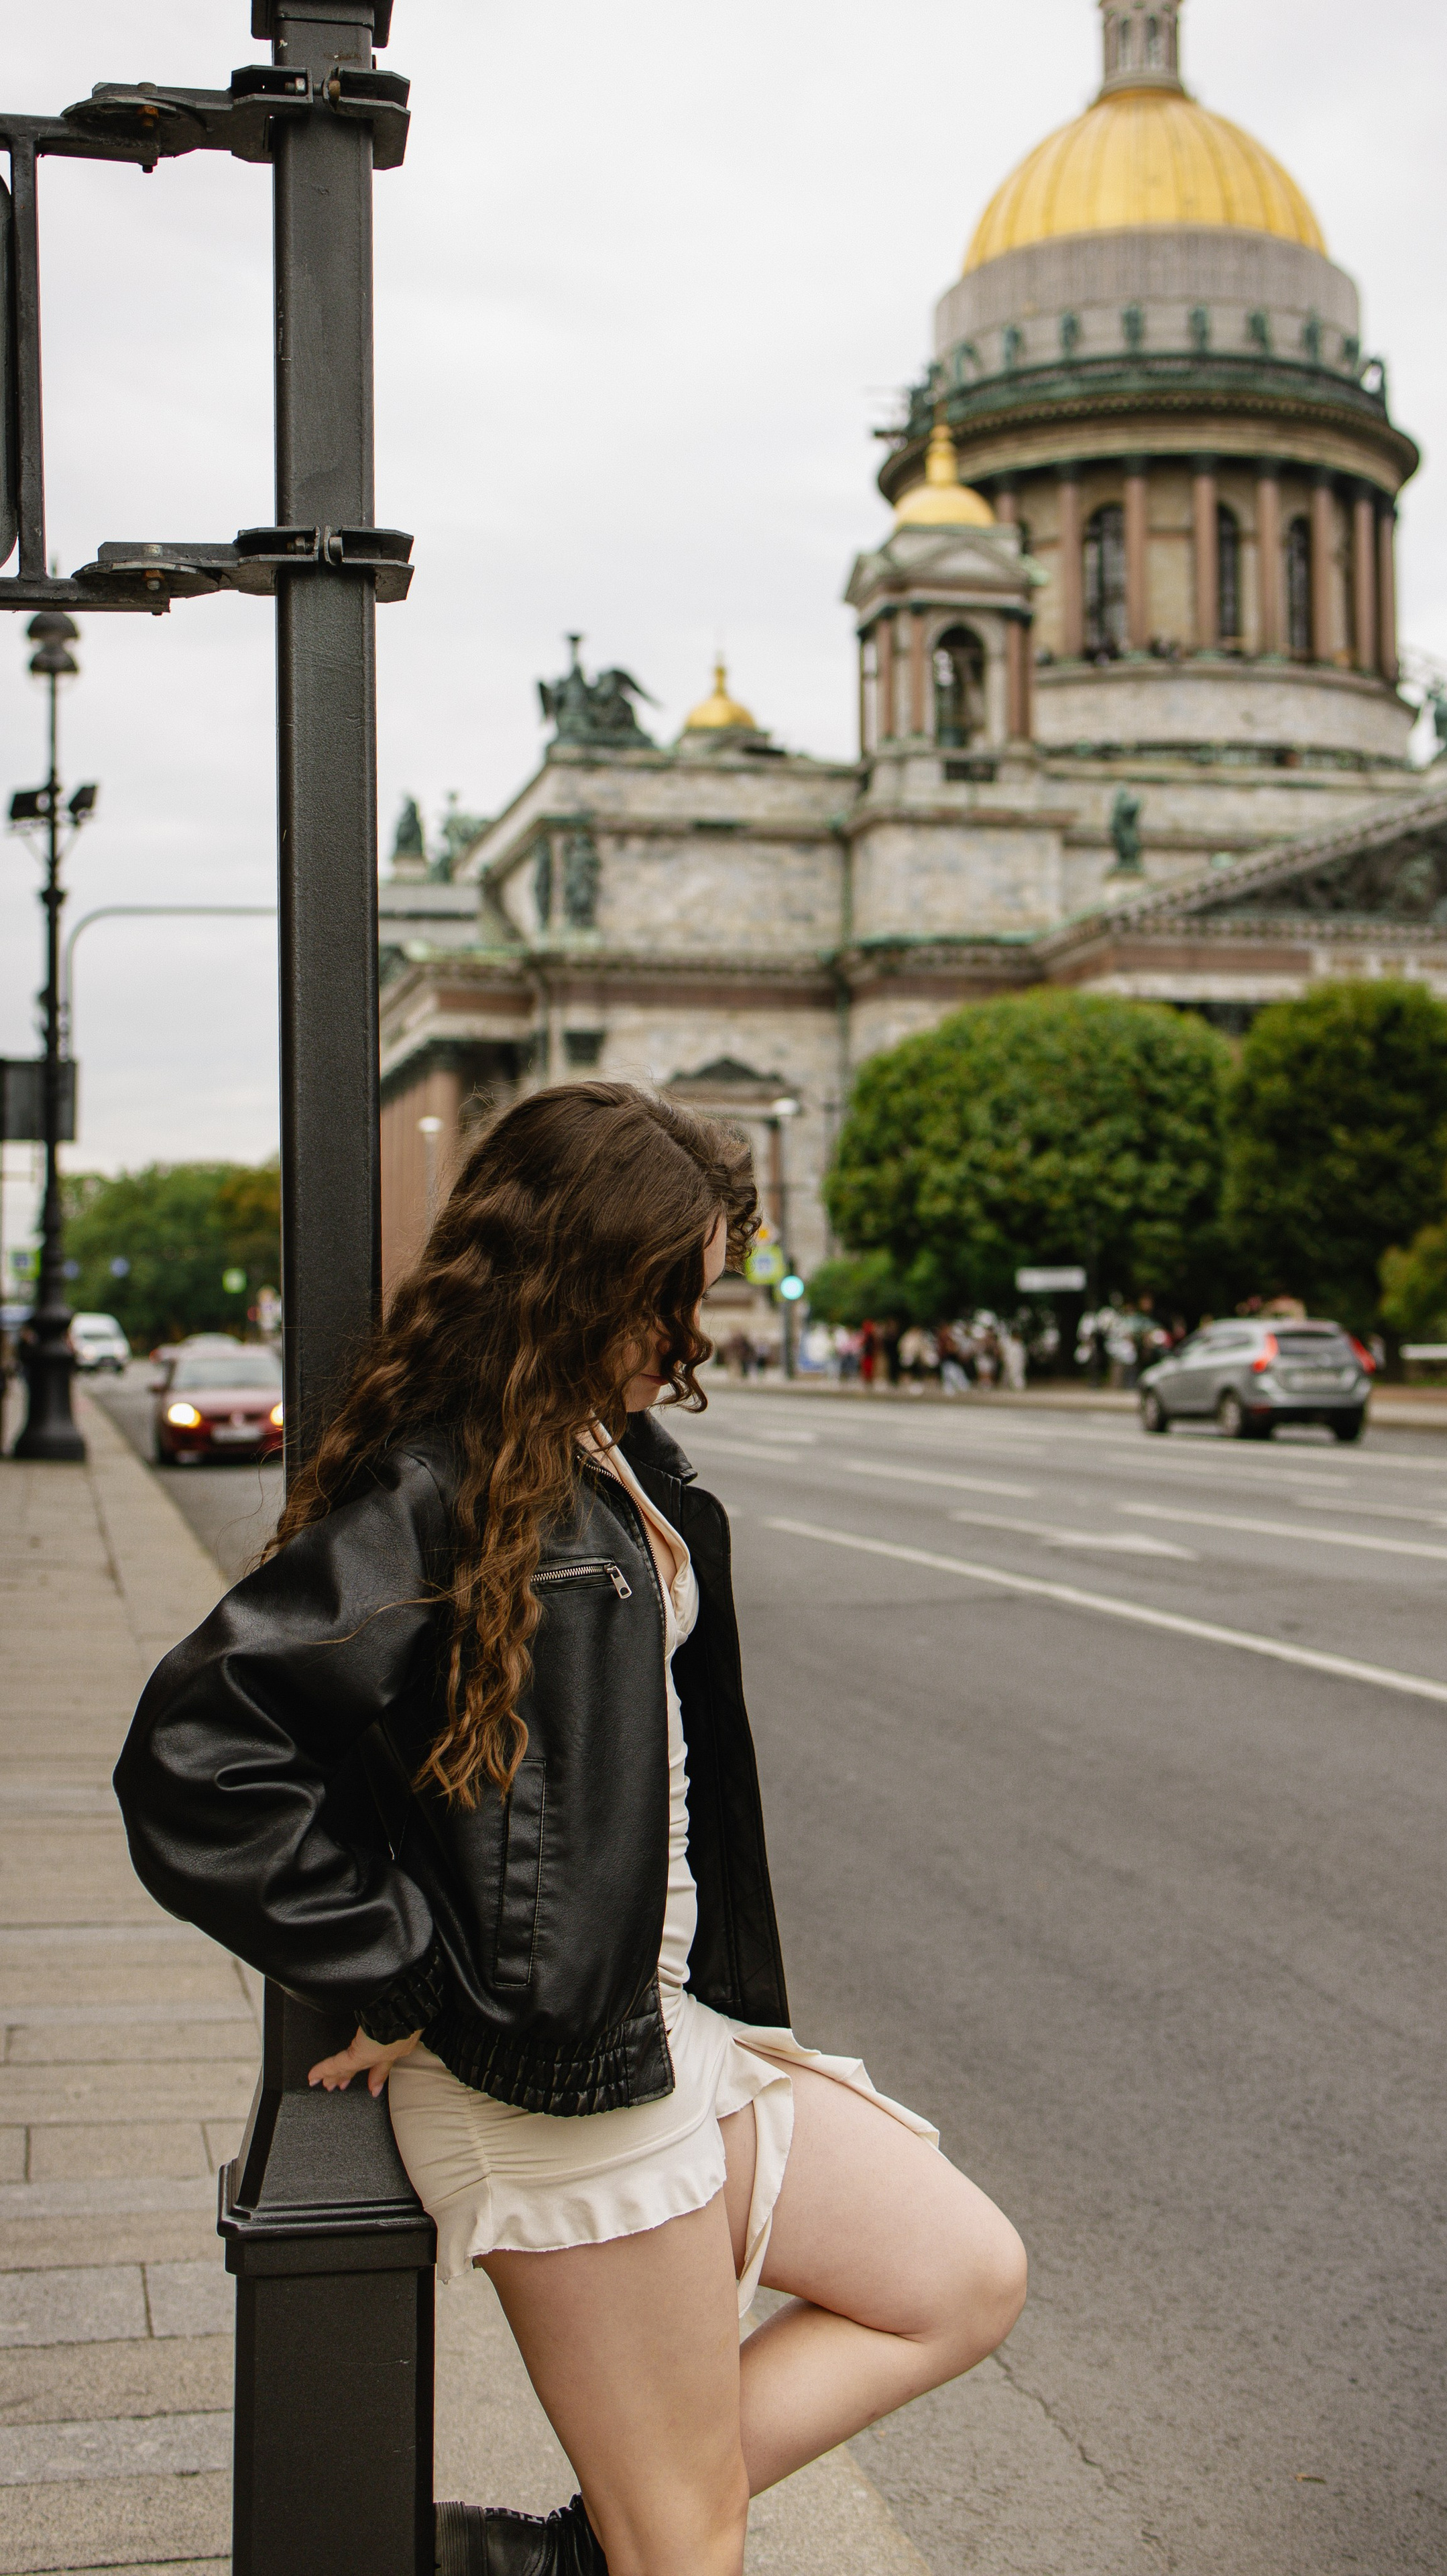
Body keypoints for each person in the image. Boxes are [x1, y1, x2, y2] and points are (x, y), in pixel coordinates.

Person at [113, 1083, 1025, 2576]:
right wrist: (404, 1967)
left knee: (960, 2275)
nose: (690, 1341)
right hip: (553, 2076)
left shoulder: (605, 1454)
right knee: (689, 2541)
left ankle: (540, 2564)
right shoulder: (442, 1478)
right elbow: (200, 1756)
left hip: (658, 2026)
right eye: (673, 1299)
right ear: (582, 1275)